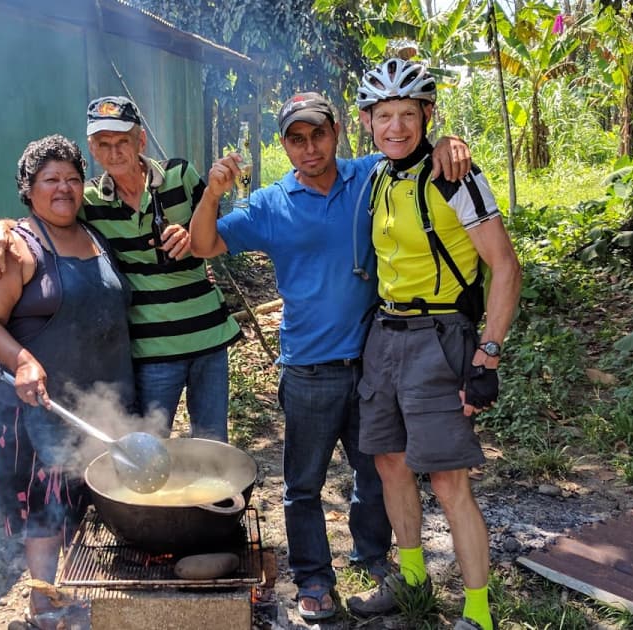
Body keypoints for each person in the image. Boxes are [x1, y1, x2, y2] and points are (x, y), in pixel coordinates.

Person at [189, 92, 471, 622]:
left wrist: (450, 145)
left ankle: (374, 558)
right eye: (296, 138)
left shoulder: (367, 175)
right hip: (308, 371)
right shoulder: (271, 204)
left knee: (379, 474)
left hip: (373, 363)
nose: (309, 147)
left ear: (337, 131)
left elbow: (409, 150)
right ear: (284, 145)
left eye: (318, 133)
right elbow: (205, 245)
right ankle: (315, 579)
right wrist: (212, 194)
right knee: (303, 486)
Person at [344, 59, 522, 630]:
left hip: (441, 337)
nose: (396, 127)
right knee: (390, 463)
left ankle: (477, 613)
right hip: (385, 335)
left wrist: (488, 354)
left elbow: (505, 266)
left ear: (427, 114)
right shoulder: (375, 176)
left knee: (448, 480)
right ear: (368, 121)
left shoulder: (455, 175)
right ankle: (414, 579)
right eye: (384, 115)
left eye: (408, 114)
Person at [0, 96, 241, 442]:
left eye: (123, 142)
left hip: (209, 335)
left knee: (214, 444)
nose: (115, 152)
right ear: (92, 149)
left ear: (141, 141)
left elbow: (214, 236)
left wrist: (194, 237)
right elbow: (39, 216)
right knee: (150, 448)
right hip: (151, 349)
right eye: (104, 144)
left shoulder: (181, 175)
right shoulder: (86, 200)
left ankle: (215, 500)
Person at [0, 135, 134, 629]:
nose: (63, 188)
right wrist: (21, 360)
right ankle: (43, 605)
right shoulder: (15, 246)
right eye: (50, 180)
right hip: (37, 403)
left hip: (97, 399)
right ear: (28, 187)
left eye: (72, 178)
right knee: (43, 509)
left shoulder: (94, 234)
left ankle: (78, 594)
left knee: (85, 499)